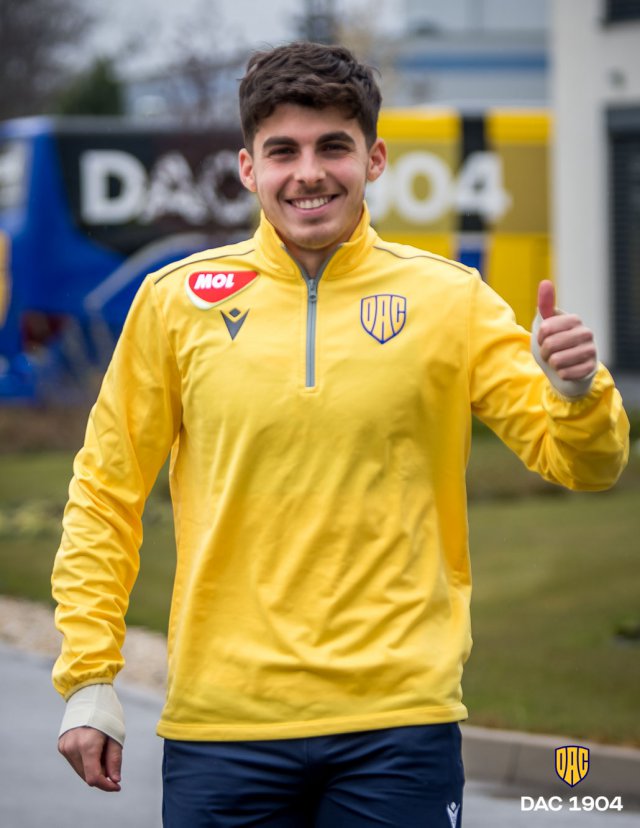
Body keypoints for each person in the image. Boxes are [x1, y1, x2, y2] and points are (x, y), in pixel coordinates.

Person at [52, 41, 629, 827]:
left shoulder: (451, 300)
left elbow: (585, 466)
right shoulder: (174, 303)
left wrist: (577, 392)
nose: (309, 173)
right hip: (223, 726)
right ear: (248, 168)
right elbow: (105, 494)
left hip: (399, 725)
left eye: (333, 147)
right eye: (282, 151)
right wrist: (88, 676)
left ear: (374, 158)